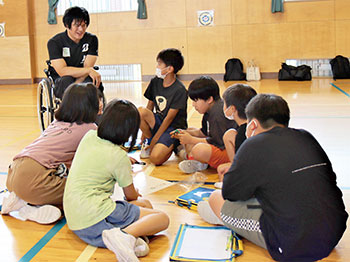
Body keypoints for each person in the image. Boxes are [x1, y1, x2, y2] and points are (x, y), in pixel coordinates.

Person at [198, 94, 348, 261]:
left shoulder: (253, 144)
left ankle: (223, 218)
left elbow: (230, 193)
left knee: (215, 198)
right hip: (334, 230)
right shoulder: (306, 136)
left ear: (252, 124)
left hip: (291, 241)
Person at [63, 99, 170, 262]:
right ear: (129, 131)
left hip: (75, 219)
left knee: (145, 206)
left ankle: (127, 236)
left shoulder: (90, 136)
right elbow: (131, 197)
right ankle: (124, 236)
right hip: (96, 218)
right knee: (162, 218)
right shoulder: (118, 156)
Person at [2, 83, 100, 224]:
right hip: (33, 180)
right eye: (98, 100)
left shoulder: (57, 122)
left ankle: (23, 200)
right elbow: (98, 160)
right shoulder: (90, 129)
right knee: (86, 189)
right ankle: (31, 208)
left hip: (13, 173)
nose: (101, 103)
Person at [172, 76, 237, 174]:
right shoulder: (210, 109)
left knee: (199, 149)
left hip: (230, 152)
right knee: (191, 131)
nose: (193, 105)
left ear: (209, 99)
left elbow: (217, 143)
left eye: (196, 100)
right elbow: (203, 132)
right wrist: (186, 132)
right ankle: (195, 160)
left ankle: (195, 160)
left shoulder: (217, 114)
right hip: (220, 144)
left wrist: (191, 139)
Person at [138, 48, 187, 166]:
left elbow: (168, 120)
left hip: (172, 128)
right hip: (159, 121)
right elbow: (149, 106)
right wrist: (145, 134)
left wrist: (155, 141)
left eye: (160, 64)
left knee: (155, 158)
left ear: (170, 69)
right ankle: (154, 142)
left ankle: (175, 144)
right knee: (140, 111)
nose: (157, 66)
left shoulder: (179, 90)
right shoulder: (156, 81)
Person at [47, 6, 104, 100]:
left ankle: (95, 107)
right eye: (77, 25)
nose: (81, 29)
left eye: (84, 25)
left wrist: (78, 84)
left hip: (83, 75)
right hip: (62, 78)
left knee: (92, 80)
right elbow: (62, 71)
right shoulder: (54, 42)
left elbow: (88, 67)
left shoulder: (92, 40)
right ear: (67, 25)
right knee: (66, 79)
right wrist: (88, 71)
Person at [214, 84, 257, 188]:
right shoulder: (254, 124)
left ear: (232, 109)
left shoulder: (242, 134)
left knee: (222, 170)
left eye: (224, 103)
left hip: (252, 177)